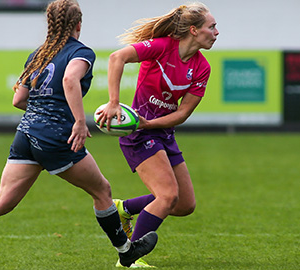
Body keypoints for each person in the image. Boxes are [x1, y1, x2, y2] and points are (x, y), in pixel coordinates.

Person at [0, 0, 158, 269]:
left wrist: (42, 110)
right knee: (102, 190)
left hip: (26, 134)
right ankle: (126, 251)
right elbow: (70, 80)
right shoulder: (81, 52)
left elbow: (18, 99)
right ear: (79, 24)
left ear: (51, 24)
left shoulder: (38, 54)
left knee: (2, 201)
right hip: (56, 136)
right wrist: (79, 122)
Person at [96, 2, 219, 267]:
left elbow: (183, 112)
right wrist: (114, 102)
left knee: (184, 204)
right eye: (212, 26)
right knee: (166, 196)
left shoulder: (202, 67)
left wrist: (149, 124)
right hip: (137, 136)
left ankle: (124, 209)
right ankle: (129, 260)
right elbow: (118, 58)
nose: (217, 32)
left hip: (158, 132)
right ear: (194, 30)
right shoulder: (162, 46)